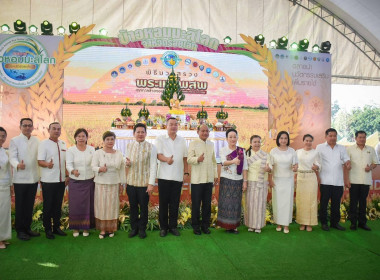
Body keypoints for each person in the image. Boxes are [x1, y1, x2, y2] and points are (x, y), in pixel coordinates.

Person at [155, 117, 189, 237]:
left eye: (175, 124)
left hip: (177, 176)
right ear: (166, 126)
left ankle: (173, 227)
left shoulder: (182, 140)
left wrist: (186, 173)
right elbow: (158, 155)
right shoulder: (160, 139)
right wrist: (167, 159)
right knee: (163, 203)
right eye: (171, 124)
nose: (173, 126)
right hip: (164, 176)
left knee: (175, 203)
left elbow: (185, 158)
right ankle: (163, 228)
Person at [9, 118, 40, 241]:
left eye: (29, 125)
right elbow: (12, 157)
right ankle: (20, 230)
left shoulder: (36, 140)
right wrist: (17, 165)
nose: (27, 128)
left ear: (32, 127)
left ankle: (27, 228)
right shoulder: (14, 140)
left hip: (33, 178)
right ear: (20, 127)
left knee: (29, 205)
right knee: (20, 206)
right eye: (25, 125)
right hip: (20, 179)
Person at [125, 123, 157, 239]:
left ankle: (142, 229)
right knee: (133, 207)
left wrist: (151, 183)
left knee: (143, 207)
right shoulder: (129, 146)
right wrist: (127, 163)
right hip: (131, 182)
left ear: (146, 134)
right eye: (138, 132)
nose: (140, 134)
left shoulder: (151, 147)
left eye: (142, 132)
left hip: (144, 183)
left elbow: (153, 165)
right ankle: (134, 228)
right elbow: (127, 161)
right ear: (134, 134)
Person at [92, 131, 126, 239]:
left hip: (114, 182)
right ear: (103, 141)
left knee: (112, 205)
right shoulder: (98, 153)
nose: (110, 141)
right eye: (108, 139)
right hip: (101, 182)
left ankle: (111, 228)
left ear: (114, 140)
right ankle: (102, 229)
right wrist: (100, 169)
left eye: (112, 139)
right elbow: (92, 166)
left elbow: (121, 169)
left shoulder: (119, 153)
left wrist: (121, 183)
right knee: (102, 206)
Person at [38, 122, 68, 239]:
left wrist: (67, 176)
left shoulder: (63, 144)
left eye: (58, 129)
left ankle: (56, 227)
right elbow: (39, 161)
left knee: (57, 205)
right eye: (54, 129)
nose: (56, 131)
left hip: (61, 181)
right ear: (49, 130)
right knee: (48, 206)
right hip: (48, 181)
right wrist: (47, 164)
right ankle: (48, 229)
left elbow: (65, 162)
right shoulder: (43, 144)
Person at [316, 128, 350, 231]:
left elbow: (346, 159)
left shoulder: (342, 148)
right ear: (326, 137)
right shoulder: (320, 147)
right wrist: (317, 175)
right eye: (330, 136)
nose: (333, 138)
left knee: (336, 203)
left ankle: (335, 223)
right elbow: (316, 161)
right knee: (324, 203)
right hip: (325, 180)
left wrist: (348, 163)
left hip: (338, 181)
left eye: (334, 136)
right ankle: (324, 223)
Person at [187, 124, 218, 235]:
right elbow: (189, 159)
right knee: (196, 204)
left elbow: (214, 162)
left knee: (207, 204)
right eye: (203, 131)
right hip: (197, 180)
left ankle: (205, 226)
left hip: (209, 179)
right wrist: (198, 159)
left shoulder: (211, 144)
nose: (205, 133)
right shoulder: (193, 143)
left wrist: (215, 175)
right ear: (198, 131)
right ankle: (196, 226)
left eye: (207, 131)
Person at [346, 131, 378, 231]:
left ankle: (362, 223)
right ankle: (353, 223)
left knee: (363, 202)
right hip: (354, 180)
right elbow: (346, 163)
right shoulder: (349, 149)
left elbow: (375, 163)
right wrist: (348, 165)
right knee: (353, 203)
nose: (362, 139)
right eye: (360, 137)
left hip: (366, 180)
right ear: (356, 138)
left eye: (364, 137)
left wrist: (371, 167)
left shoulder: (371, 149)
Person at [217, 128, 248, 233]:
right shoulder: (223, 150)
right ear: (226, 139)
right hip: (226, 179)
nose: (233, 139)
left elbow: (245, 167)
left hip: (238, 179)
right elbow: (223, 162)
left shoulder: (241, 151)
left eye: (234, 137)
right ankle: (226, 225)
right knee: (225, 203)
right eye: (230, 137)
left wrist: (245, 181)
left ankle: (234, 226)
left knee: (235, 203)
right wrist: (233, 161)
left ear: (237, 138)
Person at [66, 128, 95, 237]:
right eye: (79, 136)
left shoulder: (92, 149)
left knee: (88, 205)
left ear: (87, 138)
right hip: (75, 182)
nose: (81, 138)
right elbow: (68, 164)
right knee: (75, 205)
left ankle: (86, 228)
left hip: (89, 181)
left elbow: (95, 163)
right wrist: (73, 171)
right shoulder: (71, 150)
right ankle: (76, 228)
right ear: (75, 138)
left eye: (83, 136)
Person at [268, 131, 298, 234]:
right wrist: (270, 179)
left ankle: (286, 225)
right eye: (281, 138)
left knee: (287, 203)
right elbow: (270, 166)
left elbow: (295, 165)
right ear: (278, 139)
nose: (283, 140)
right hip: (277, 180)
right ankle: (278, 223)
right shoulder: (273, 151)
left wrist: (295, 168)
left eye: (285, 138)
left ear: (288, 139)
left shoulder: (292, 151)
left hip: (288, 180)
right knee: (278, 203)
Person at [244, 135, 270, 233]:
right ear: (250, 143)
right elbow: (244, 169)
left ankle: (258, 225)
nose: (257, 144)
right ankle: (250, 225)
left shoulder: (266, 155)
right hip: (250, 181)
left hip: (261, 182)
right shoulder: (247, 154)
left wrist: (268, 169)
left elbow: (270, 167)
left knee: (260, 204)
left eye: (258, 142)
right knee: (250, 203)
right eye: (255, 142)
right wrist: (245, 182)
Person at [295, 134, 320, 232]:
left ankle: (310, 223)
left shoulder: (315, 152)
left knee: (311, 200)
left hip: (311, 177)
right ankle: (302, 222)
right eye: (306, 140)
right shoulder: (298, 152)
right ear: (303, 141)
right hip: (300, 177)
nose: (308, 142)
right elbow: (295, 164)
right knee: (301, 200)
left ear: (312, 141)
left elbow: (318, 163)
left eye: (310, 140)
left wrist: (317, 167)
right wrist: (295, 176)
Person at [0, 127, 12, 249]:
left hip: (4, 186)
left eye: (3, 136)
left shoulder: (4, 151)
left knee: (4, 213)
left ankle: (2, 237)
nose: (1, 138)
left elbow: (8, 170)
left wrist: (11, 185)